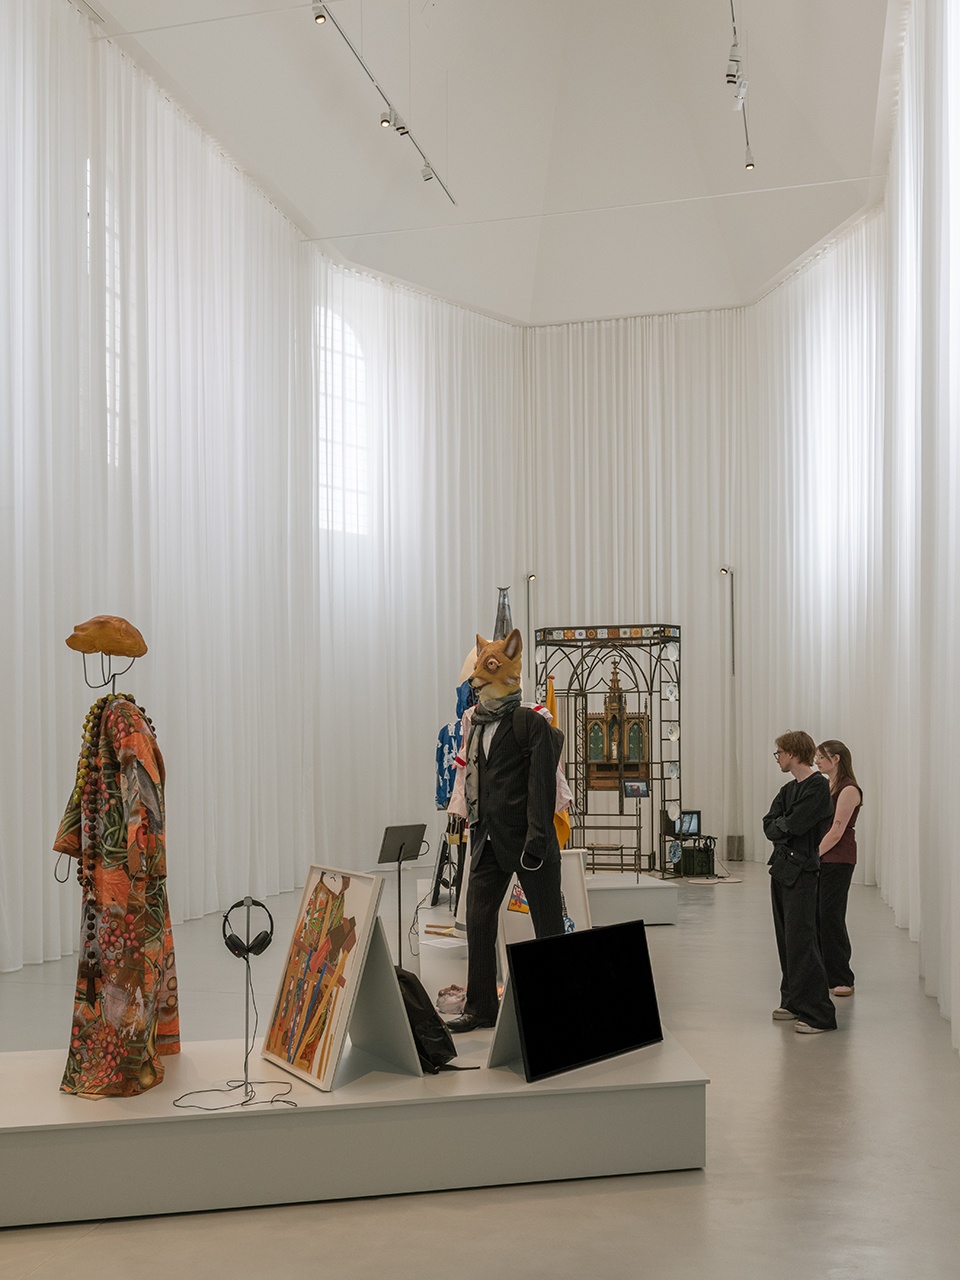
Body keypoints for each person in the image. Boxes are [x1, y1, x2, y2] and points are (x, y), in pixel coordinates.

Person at [444, 629, 565, 1032]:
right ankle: (481, 1007)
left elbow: (542, 785)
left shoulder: (530, 723)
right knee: (479, 923)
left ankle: (554, 1007)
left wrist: (538, 840)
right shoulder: (476, 724)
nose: (477, 682)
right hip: (487, 840)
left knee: (548, 927)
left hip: (531, 843)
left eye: (486, 671)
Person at [763, 730, 836, 1034]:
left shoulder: (818, 787)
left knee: (802, 942)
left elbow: (795, 824)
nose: (777, 758)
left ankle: (819, 1014)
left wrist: (784, 826)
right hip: (782, 870)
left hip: (803, 872)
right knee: (786, 940)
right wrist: (784, 826)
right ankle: (793, 1000)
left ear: (792, 753)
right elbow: (769, 825)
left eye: (779, 752)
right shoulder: (788, 789)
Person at [815, 740, 862, 997]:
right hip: (824, 858)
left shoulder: (849, 789)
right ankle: (824, 972)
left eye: (821, 757)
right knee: (819, 916)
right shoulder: (827, 786)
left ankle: (842, 977)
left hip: (838, 859)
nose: (817, 761)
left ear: (836, 759)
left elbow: (836, 831)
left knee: (831, 916)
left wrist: (814, 854)